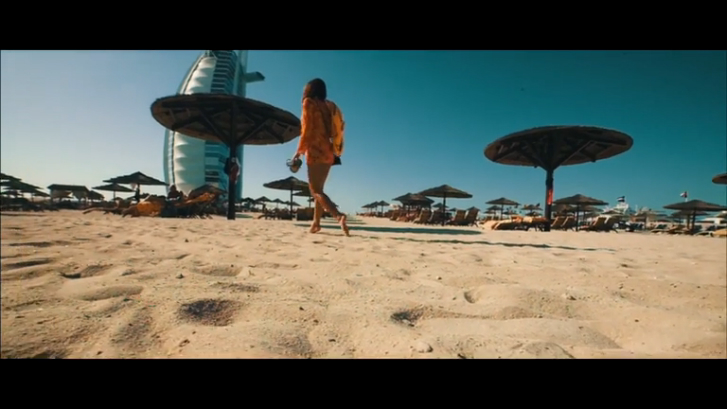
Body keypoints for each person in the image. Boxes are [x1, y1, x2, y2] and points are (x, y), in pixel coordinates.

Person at [291, 78, 349, 236]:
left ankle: (338, 216)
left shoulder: (309, 103)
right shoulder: (330, 105)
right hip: (329, 152)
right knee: (320, 190)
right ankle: (316, 223)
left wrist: (298, 151)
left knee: (315, 190)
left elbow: (307, 130)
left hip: (315, 151)